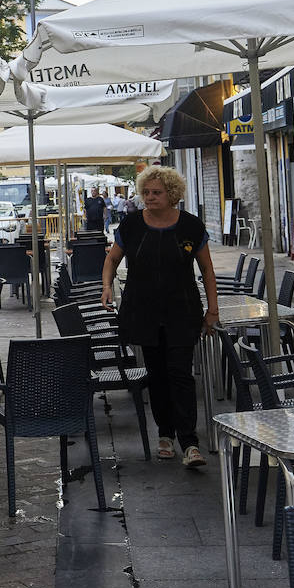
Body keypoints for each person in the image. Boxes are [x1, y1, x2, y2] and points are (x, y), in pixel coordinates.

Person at [101, 165, 218, 468]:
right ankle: (165, 435)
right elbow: (112, 259)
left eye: (156, 193)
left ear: (173, 195)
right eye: (146, 192)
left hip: (183, 309)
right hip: (144, 311)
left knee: (181, 374)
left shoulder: (191, 226)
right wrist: (106, 288)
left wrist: (213, 307)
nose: (149, 198)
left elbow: (206, 269)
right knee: (156, 375)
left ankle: (190, 442)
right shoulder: (131, 225)